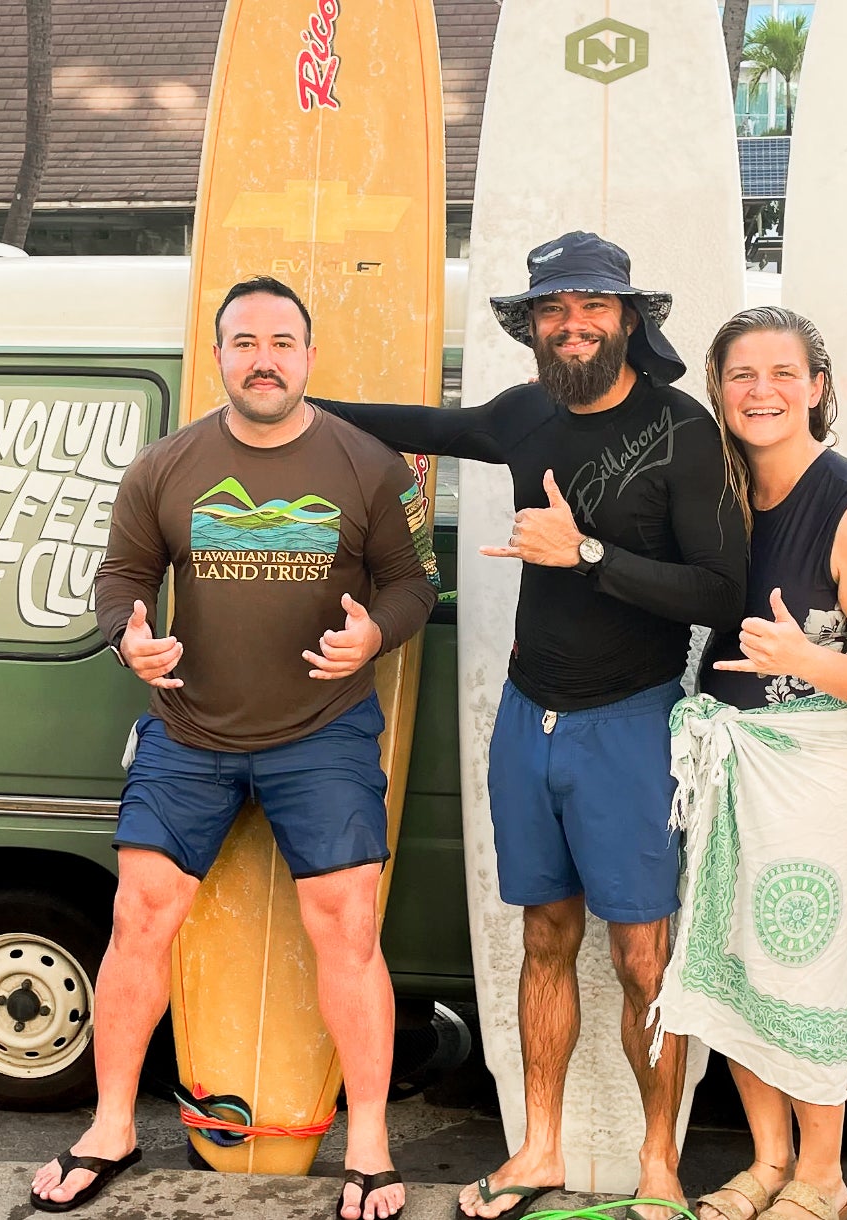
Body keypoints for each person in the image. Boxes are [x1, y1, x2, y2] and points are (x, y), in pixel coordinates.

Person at [314, 231, 751, 1220]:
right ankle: (538, 1145)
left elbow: (721, 590)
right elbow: (417, 423)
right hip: (527, 718)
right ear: (533, 328)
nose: (572, 323)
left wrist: (588, 550)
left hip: (632, 724)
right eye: (553, 309)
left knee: (644, 954)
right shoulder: (522, 418)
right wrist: (294, 407)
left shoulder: (684, 430)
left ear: (629, 319)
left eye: (592, 305)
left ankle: (658, 1158)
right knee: (543, 933)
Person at [27, 276, 439, 1220]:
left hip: (324, 734)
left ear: (308, 356)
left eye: (282, 342)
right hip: (189, 731)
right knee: (138, 921)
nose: (264, 358)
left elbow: (412, 583)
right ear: (219, 356)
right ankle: (112, 1128)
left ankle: (367, 1144)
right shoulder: (165, 465)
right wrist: (129, 635)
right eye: (245, 341)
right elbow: (122, 574)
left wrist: (375, 635)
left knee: (348, 929)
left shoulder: (367, 464)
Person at [648, 307, 847, 1220]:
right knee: (730, 958)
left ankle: (823, 1176)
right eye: (740, 375)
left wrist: (800, 659)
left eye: (782, 373)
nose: (761, 391)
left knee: (800, 958)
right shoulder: (717, 494)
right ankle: (766, 1163)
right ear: (717, 392)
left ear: (818, 387)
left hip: (816, 765)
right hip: (729, 759)